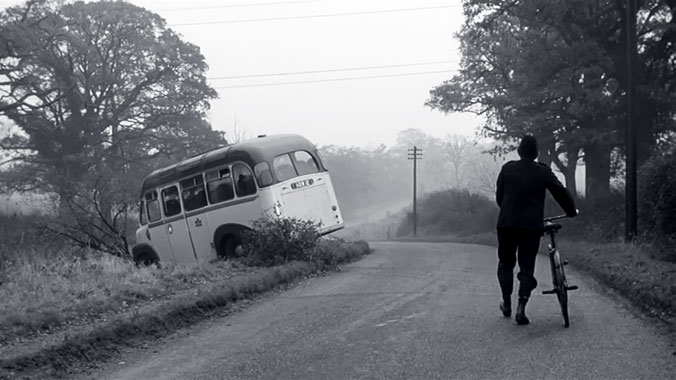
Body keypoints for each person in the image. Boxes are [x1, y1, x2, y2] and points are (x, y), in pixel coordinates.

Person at [495, 135, 577, 325]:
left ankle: (506, 302)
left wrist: (508, 210)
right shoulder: (542, 172)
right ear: (536, 153)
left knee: (505, 264)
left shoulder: (507, 169)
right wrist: (571, 211)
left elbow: (499, 197)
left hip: (507, 224)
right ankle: (521, 308)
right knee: (526, 266)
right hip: (530, 227)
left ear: (519, 151)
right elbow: (560, 192)